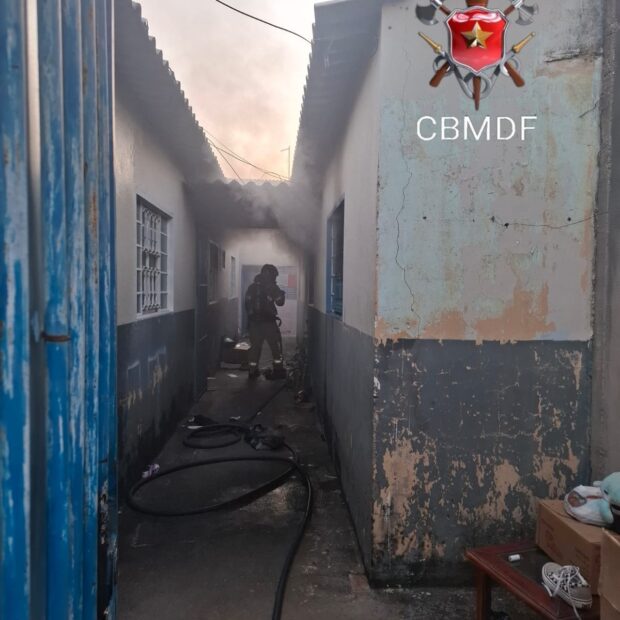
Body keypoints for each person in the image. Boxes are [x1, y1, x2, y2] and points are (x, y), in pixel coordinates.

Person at [244, 264, 286, 379]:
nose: (275, 278)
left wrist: (251, 318)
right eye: (274, 276)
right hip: (269, 323)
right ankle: (278, 370)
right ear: (269, 275)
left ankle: (252, 371)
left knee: (255, 347)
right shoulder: (272, 287)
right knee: (275, 347)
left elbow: (247, 303)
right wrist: (281, 295)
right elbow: (280, 303)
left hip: (254, 323)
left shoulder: (252, 287)